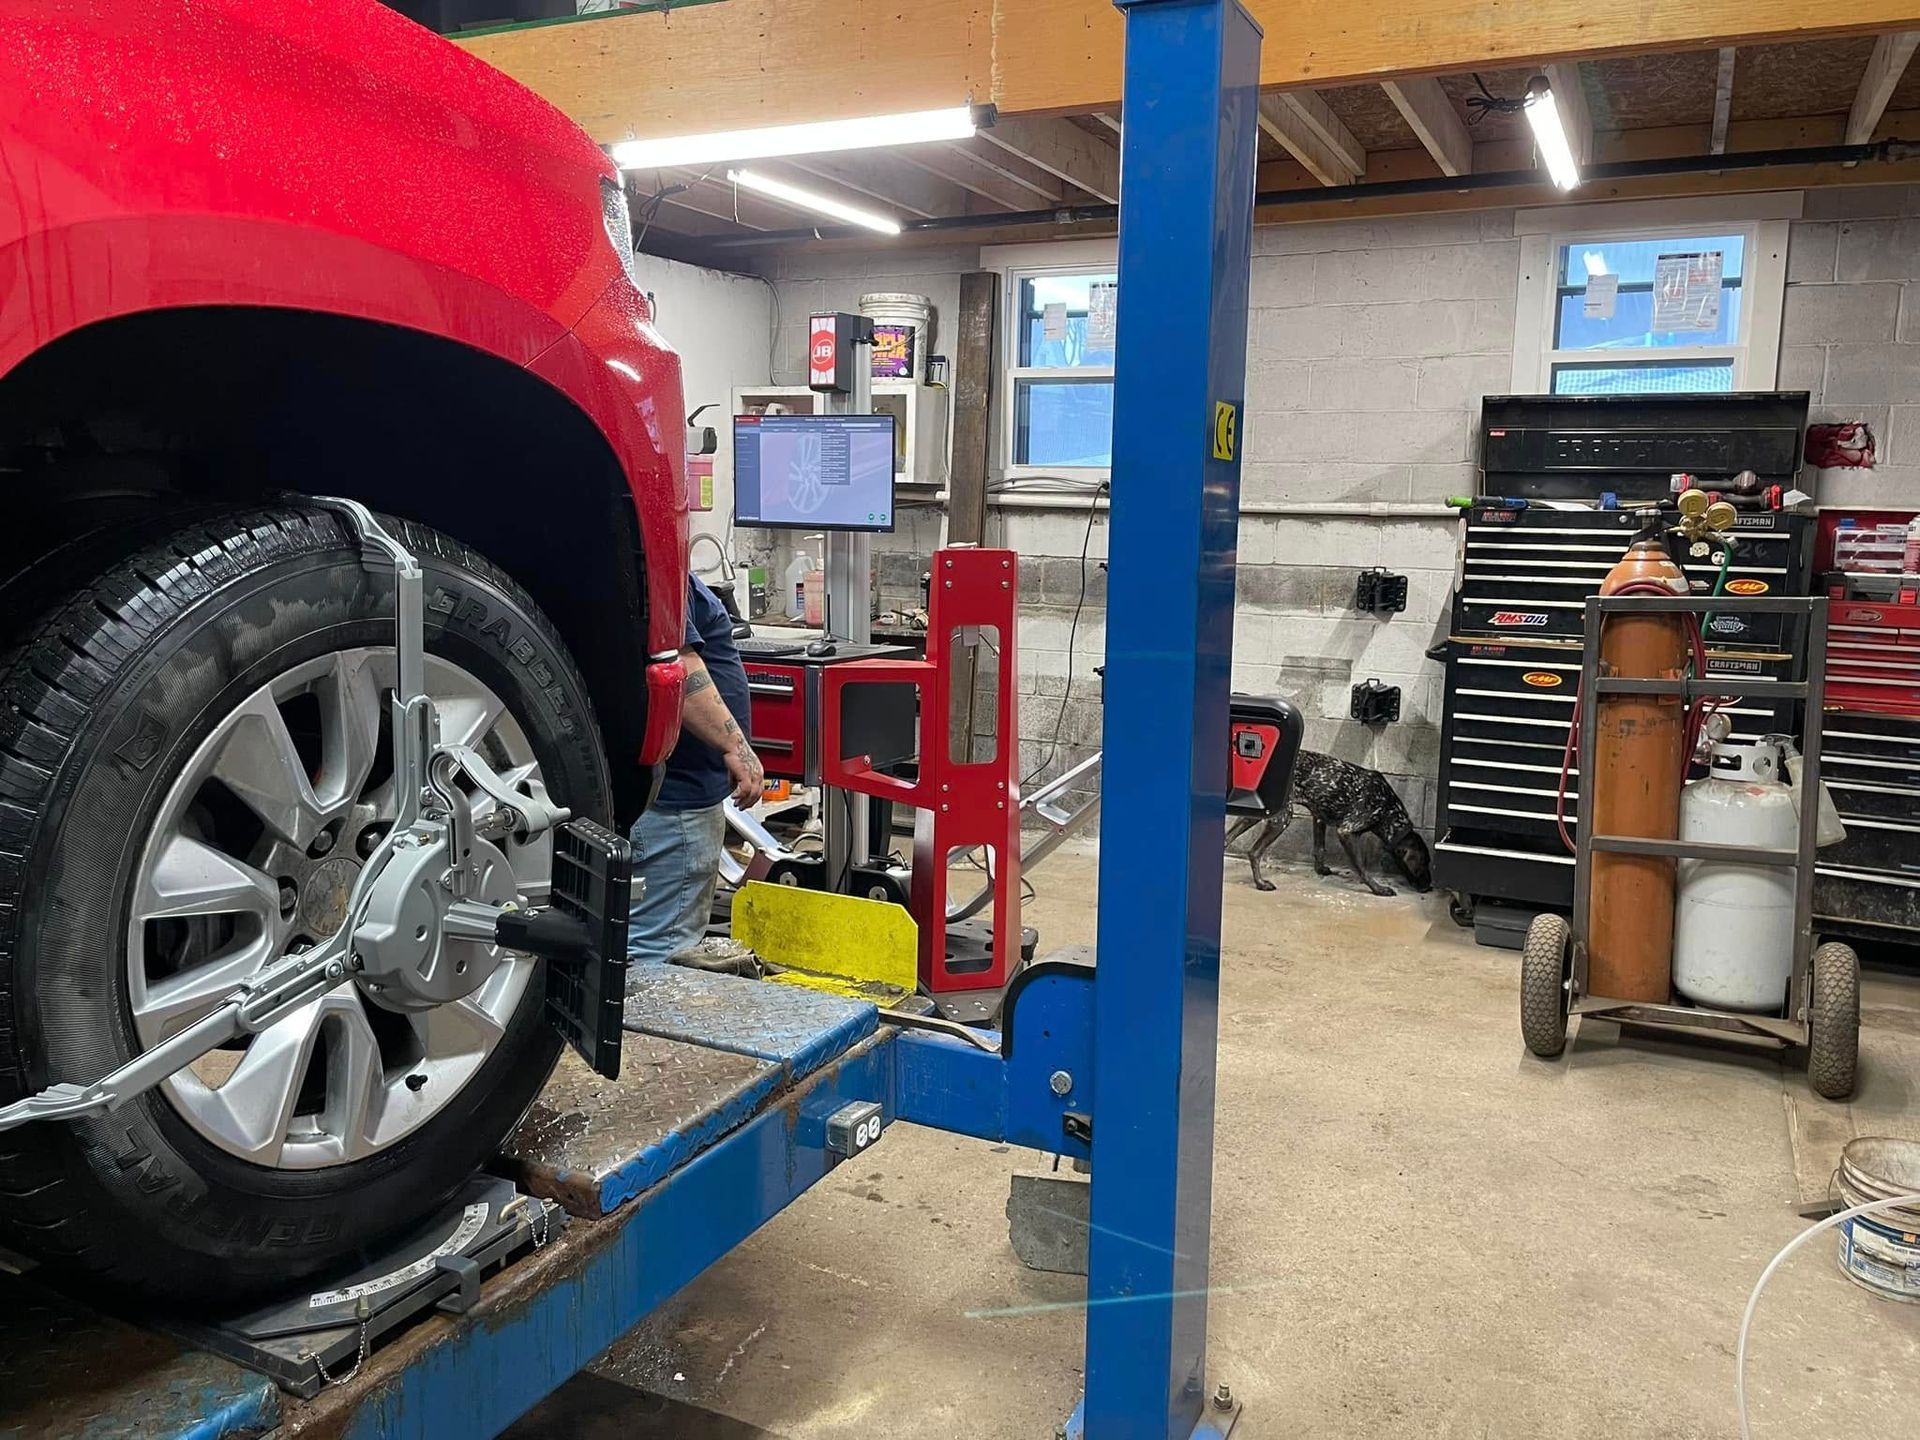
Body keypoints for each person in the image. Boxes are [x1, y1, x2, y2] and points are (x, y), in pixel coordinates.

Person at [627, 574, 762, 968]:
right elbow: (676, 663)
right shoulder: (657, 572)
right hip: (675, 807)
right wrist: (735, 745)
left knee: (630, 939)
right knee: (659, 952)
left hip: (650, 797)